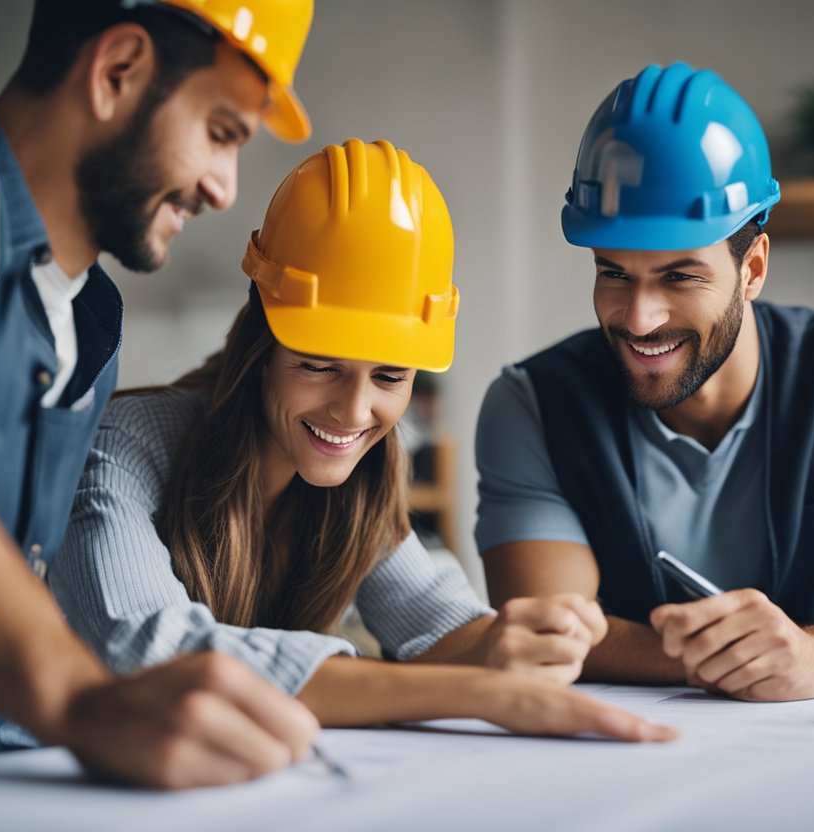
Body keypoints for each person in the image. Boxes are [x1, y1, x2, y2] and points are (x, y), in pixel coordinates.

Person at [0, 0, 326, 787]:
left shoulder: (85, 317)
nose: (224, 188)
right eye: (221, 133)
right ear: (117, 69)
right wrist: (79, 696)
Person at [50, 138, 677, 741]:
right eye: (319, 365)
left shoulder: (360, 481)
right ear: (261, 347)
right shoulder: (123, 446)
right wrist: (469, 692)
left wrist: (505, 642)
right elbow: (145, 650)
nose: (354, 413)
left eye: (389, 375)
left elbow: (442, 625)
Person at [475, 61, 814, 701]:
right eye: (614, 273)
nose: (640, 319)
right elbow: (547, 638)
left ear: (753, 267)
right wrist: (752, 659)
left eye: (680, 277)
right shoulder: (530, 406)